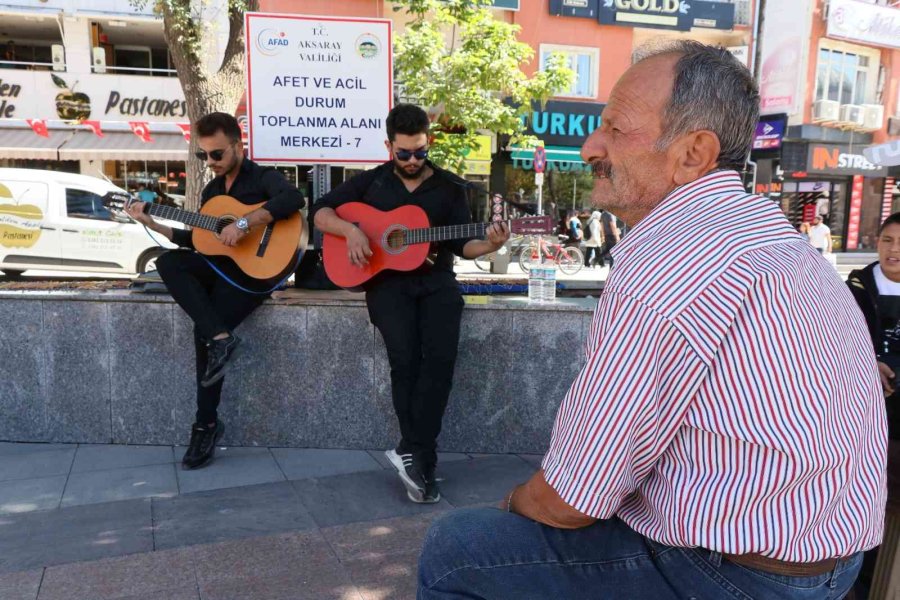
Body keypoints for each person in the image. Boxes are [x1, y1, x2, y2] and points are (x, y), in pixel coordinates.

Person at [417, 41, 886, 599]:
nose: (590, 146)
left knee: (458, 550)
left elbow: (572, 499)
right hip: (836, 560)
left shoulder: (669, 256)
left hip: (739, 574)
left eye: (616, 128)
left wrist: (515, 504)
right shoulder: (770, 233)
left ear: (692, 154)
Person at [311, 104, 508, 503]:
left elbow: (463, 245)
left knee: (440, 365)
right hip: (387, 286)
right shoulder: (370, 184)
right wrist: (350, 231)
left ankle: (414, 451)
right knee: (405, 362)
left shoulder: (451, 187)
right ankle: (422, 459)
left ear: (428, 142)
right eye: (404, 153)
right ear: (389, 146)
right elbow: (320, 213)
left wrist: (492, 242)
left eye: (420, 151)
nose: (413, 160)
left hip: (437, 285)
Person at [125, 112, 304, 470]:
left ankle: (205, 425)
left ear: (239, 146)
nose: (211, 162)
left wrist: (243, 222)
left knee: (201, 331)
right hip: (221, 267)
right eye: (203, 155)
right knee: (169, 263)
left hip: (256, 274)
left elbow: (293, 199)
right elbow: (201, 241)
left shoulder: (261, 177)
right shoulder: (211, 192)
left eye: (217, 154)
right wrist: (154, 223)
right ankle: (221, 337)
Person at [846, 212, 900, 597]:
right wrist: (866, 362)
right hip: (865, 422)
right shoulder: (853, 287)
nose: (894, 251)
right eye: (887, 241)